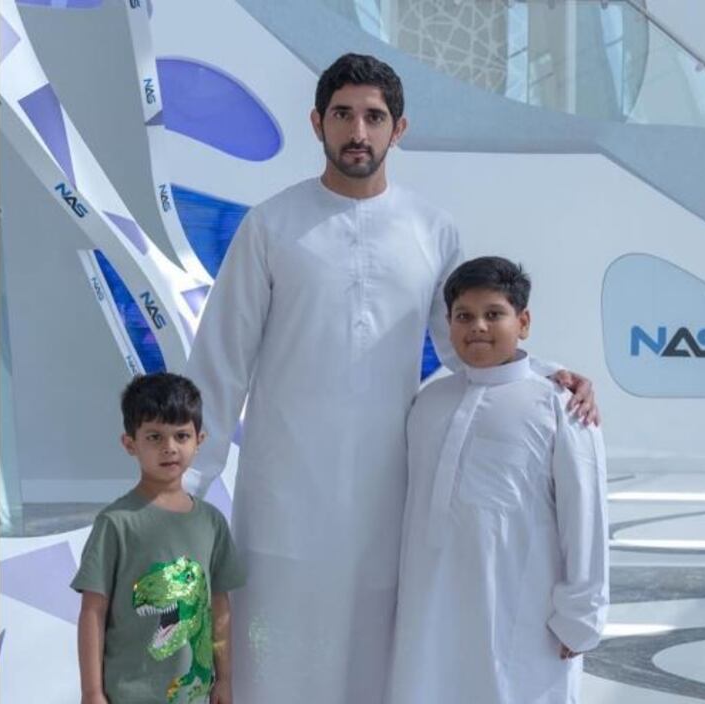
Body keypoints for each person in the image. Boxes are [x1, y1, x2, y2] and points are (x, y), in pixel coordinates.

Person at [184, 53, 599, 704]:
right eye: (344, 115)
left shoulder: (432, 230)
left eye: (374, 117)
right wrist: (183, 485)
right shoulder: (271, 226)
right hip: (285, 496)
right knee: (278, 663)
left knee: (381, 671)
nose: (358, 132)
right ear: (317, 122)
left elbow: (471, 349)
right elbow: (220, 361)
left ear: (398, 129)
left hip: (391, 499)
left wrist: (548, 378)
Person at [386, 256, 609, 704]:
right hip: (429, 610)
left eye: (494, 314)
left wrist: (581, 616)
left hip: (521, 612)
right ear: (448, 325)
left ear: (523, 322)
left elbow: (586, 516)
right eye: (464, 316)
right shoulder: (429, 403)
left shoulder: (560, 406)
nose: (478, 327)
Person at [71, 373, 245, 704]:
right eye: (154, 437)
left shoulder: (212, 523)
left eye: (181, 435)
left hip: (194, 694)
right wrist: (91, 691)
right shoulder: (115, 524)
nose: (169, 448)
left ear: (199, 440)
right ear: (130, 444)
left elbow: (219, 606)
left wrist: (224, 679)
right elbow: (92, 611)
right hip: (127, 694)